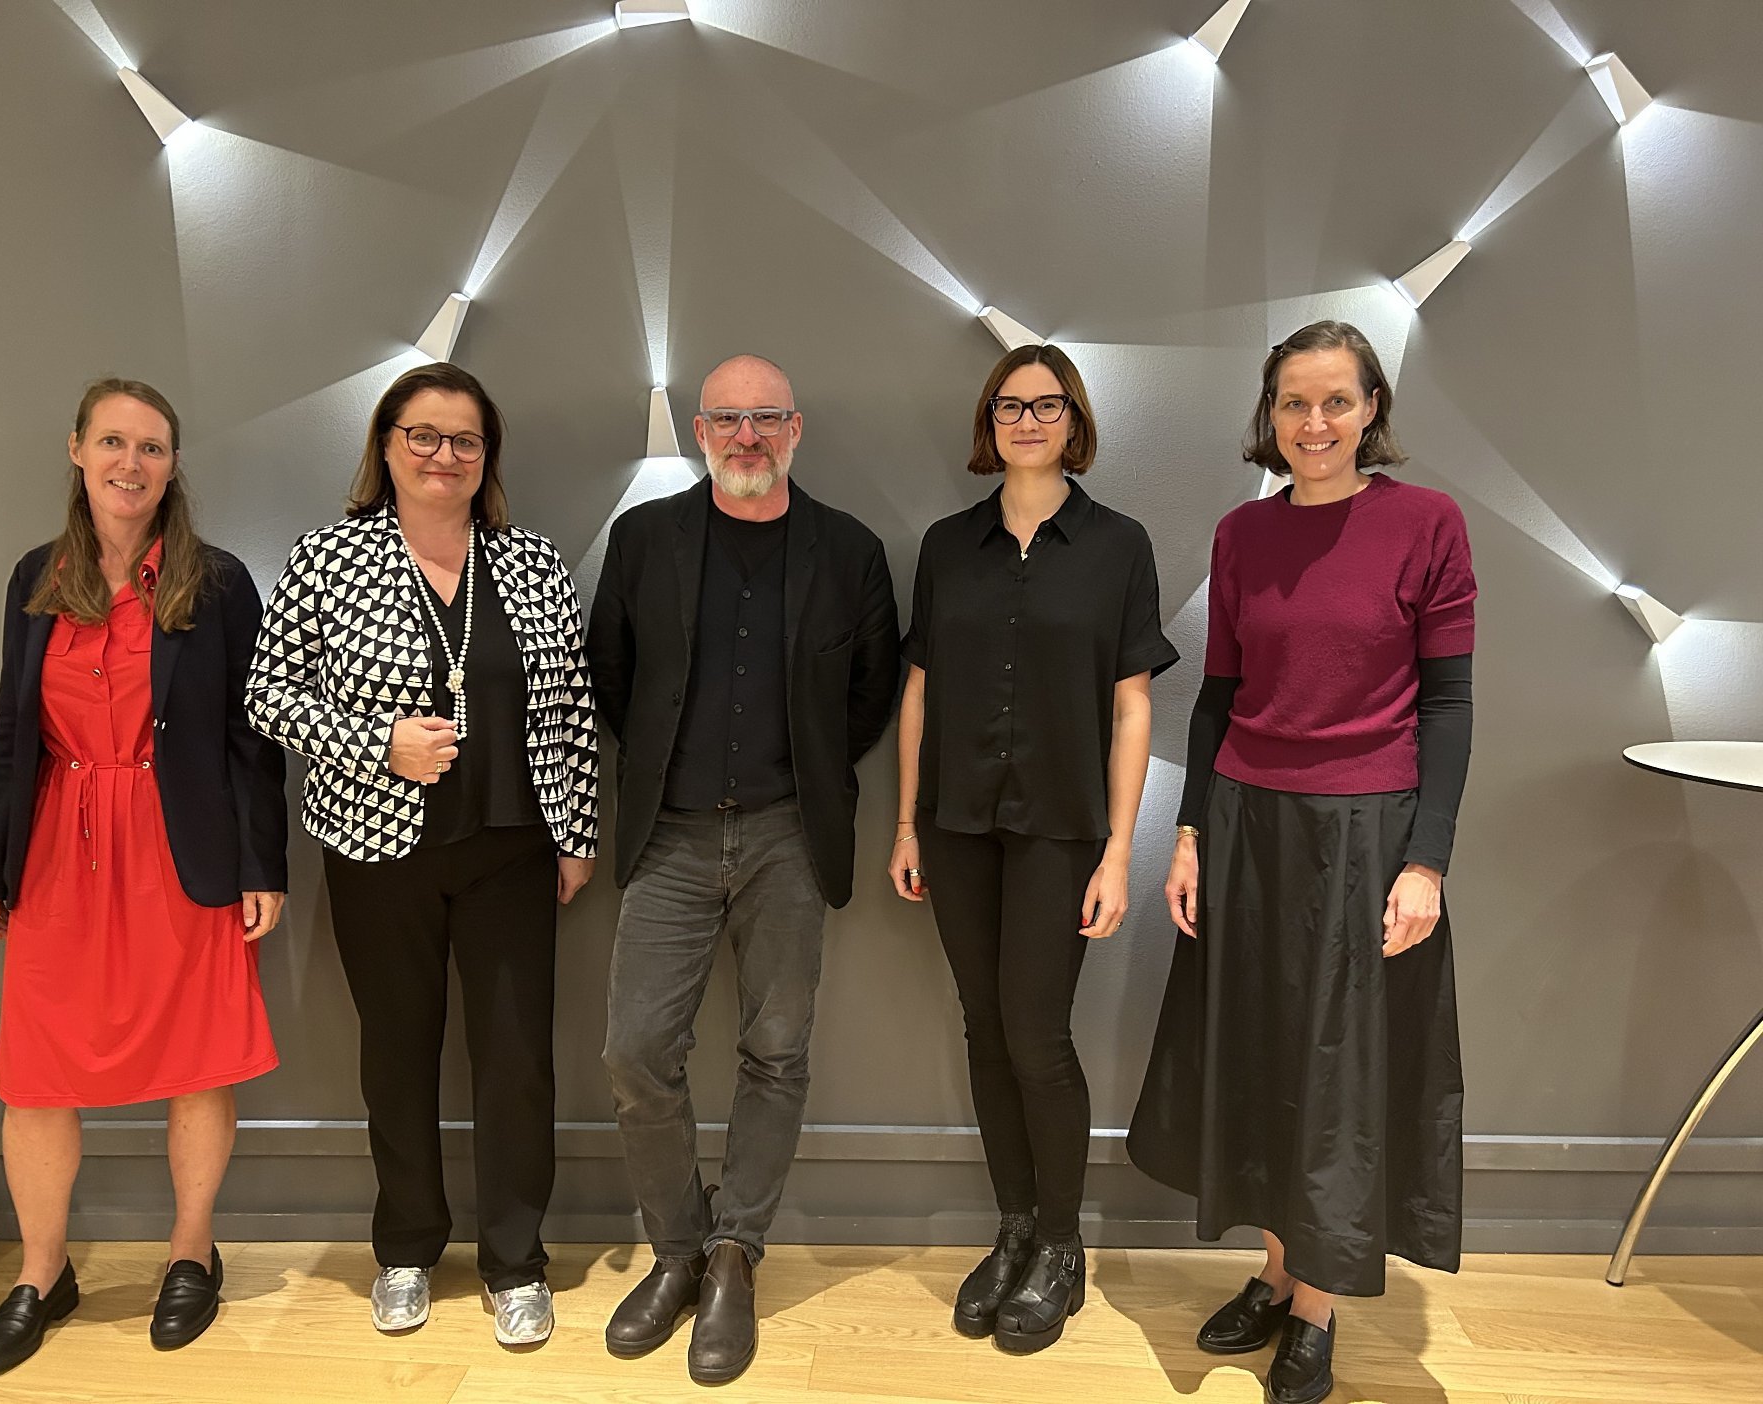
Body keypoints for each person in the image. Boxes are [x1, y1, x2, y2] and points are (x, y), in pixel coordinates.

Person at [1128, 320, 1475, 1404]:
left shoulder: (1427, 524)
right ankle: (1278, 1272)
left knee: (1337, 1074)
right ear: (1270, 416)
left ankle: (1318, 1307)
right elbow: (1219, 698)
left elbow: (1450, 705)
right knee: (1261, 1056)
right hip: (1247, 825)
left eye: (1335, 400)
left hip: (1365, 835)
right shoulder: (1243, 533)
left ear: (1371, 409)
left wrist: (1427, 862)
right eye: (1293, 402)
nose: (1313, 422)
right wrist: (1190, 833)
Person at [244, 361, 598, 1346]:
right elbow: (268, 697)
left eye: (466, 439)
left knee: (518, 1062)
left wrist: (576, 836)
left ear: (488, 456)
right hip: (377, 851)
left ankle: (516, 1262)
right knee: (397, 1054)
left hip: (513, 848)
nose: (445, 455)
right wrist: (377, 744)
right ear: (387, 446)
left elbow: (572, 705)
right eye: (425, 435)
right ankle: (405, 1249)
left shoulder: (531, 560)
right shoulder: (328, 557)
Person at [0, 378, 288, 1376]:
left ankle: (191, 1253)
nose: (130, 463)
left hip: (182, 848)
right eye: (113, 442)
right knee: (37, 1075)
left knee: (198, 1061)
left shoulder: (218, 582)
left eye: (151, 447)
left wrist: (261, 862)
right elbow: (15, 729)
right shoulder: (36, 576)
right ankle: (42, 1272)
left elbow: (251, 737)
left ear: (174, 465)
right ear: (77, 450)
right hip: (58, 850)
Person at [589, 354, 899, 1383]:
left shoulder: (849, 551)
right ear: (700, 432)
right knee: (636, 1052)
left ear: (796, 428)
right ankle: (679, 1251)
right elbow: (611, 675)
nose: (748, 436)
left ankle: (736, 1254)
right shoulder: (644, 540)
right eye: (727, 419)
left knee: (776, 1050)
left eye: (767, 418)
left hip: (788, 836)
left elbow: (869, 695)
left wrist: (802, 776)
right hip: (668, 835)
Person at [889, 344, 1178, 1353]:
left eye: (1047, 405)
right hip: (956, 826)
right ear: (989, 423)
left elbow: (1131, 706)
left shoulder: (1118, 546)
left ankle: (1061, 1244)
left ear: (1074, 421)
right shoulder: (947, 546)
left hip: (1063, 829)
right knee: (984, 1028)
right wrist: (905, 823)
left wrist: (1118, 854)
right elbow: (919, 689)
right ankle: (1013, 1228)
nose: (1027, 420)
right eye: (1009, 406)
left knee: (1037, 1036)